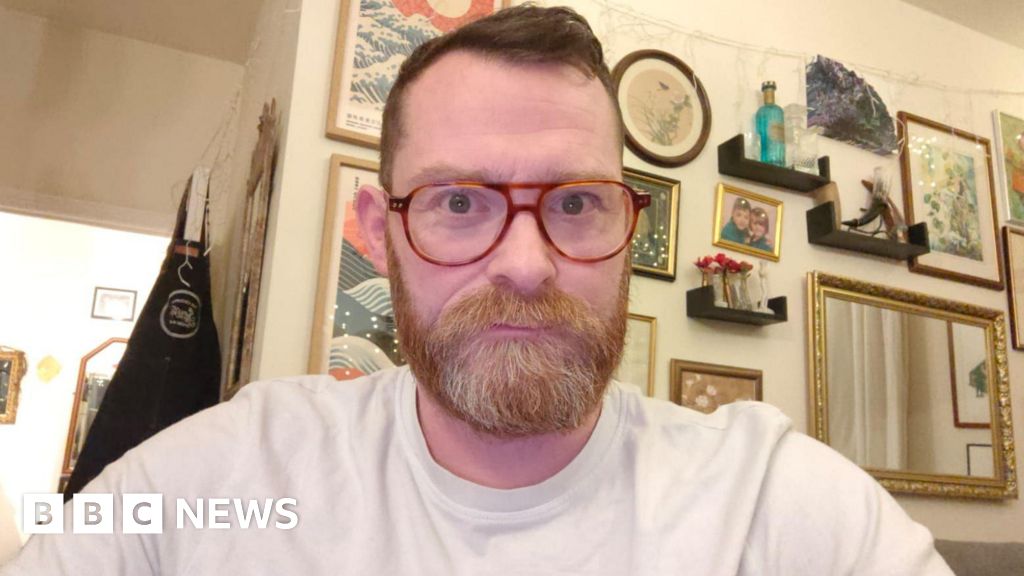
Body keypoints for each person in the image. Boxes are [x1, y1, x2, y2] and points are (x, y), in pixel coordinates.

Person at [2, 5, 953, 575]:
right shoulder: (230, 476)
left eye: (575, 202)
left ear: (629, 226)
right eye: (459, 202)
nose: (527, 265)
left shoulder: (775, 506)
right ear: (380, 231)